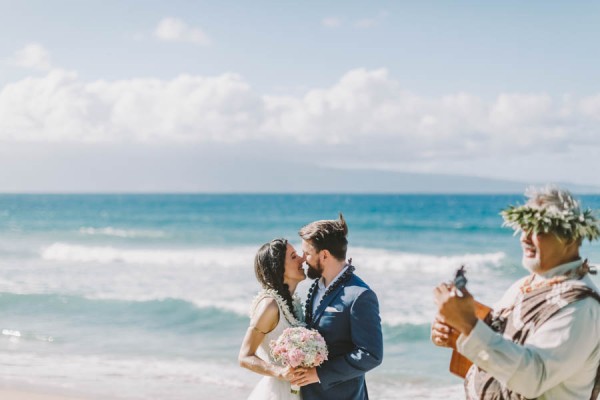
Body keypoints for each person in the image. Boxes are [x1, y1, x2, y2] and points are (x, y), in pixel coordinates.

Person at [432, 186, 600, 399]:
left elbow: (533, 378)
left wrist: (469, 325)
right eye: (523, 227)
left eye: (538, 229)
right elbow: (499, 351)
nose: (525, 238)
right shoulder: (523, 286)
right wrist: (455, 332)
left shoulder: (581, 307)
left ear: (569, 238)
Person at [291, 214, 383, 400]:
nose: (303, 259)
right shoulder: (315, 286)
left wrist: (319, 374)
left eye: (307, 253)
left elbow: (371, 354)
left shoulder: (360, 295)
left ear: (324, 255)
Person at [239, 238, 307, 399]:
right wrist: (280, 372)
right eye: (293, 256)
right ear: (279, 268)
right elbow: (244, 356)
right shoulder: (270, 306)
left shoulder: (294, 303)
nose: (302, 259)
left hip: (297, 391)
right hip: (278, 392)